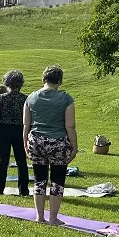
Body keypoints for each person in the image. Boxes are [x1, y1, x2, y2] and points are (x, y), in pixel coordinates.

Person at [24, 66, 78, 226]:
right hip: (58, 143)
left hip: (36, 142)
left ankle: (39, 216)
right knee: (57, 180)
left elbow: (26, 125)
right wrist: (74, 147)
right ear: (59, 81)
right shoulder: (66, 99)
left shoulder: (31, 98)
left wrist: (25, 145)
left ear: (43, 79)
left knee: (39, 180)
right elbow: (70, 126)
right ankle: (53, 218)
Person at [0, 70, 30, 196]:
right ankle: (23, 190)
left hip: (4, 130)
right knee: (21, 161)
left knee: (3, 160)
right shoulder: (25, 98)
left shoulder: (1, 98)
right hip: (20, 130)